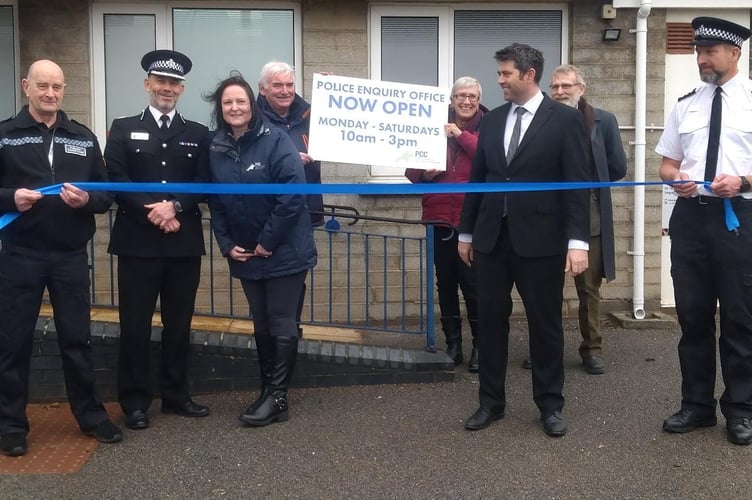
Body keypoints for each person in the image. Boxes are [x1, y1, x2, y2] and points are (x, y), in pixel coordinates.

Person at [458, 43, 591, 437]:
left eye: (505, 74)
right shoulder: (493, 120)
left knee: (545, 326)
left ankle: (550, 405)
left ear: (528, 75)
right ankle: (490, 403)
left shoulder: (565, 121)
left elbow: (577, 186)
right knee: (490, 325)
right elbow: (478, 181)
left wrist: (578, 242)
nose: (499, 80)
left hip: (542, 243)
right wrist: (467, 232)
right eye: (499, 73)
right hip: (491, 241)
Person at [0, 60, 122, 456]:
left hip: (70, 256)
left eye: (56, 86)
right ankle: (11, 426)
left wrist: (87, 200)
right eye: (42, 86)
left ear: (64, 89)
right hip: (21, 255)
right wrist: (9, 199)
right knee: (12, 342)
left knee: (76, 340)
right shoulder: (5, 136)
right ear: (26, 87)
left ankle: (90, 416)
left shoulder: (83, 138)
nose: (50, 93)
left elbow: (106, 195)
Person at [656, 17, 752, 446]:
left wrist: (745, 181)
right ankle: (696, 406)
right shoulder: (686, 103)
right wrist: (674, 178)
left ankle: (741, 409)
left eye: (710, 51)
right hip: (691, 219)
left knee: (739, 317)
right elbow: (667, 163)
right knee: (692, 316)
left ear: (735, 53)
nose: (702, 58)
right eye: (698, 50)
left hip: (739, 219)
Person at [104, 49, 210, 431]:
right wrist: (154, 212)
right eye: (160, 81)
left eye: (174, 83)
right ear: (148, 84)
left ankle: (176, 395)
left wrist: (175, 207)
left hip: (182, 244)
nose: (167, 88)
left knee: (178, 324)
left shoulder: (198, 133)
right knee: (135, 325)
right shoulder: (122, 126)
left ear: (181, 89)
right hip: (137, 243)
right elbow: (116, 178)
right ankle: (134, 402)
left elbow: (203, 182)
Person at [205, 73, 316, 427]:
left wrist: (266, 242)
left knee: (282, 320)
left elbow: (292, 195)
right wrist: (226, 245)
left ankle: (277, 396)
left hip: (284, 249)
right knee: (261, 322)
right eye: (227, 103)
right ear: (220, 109)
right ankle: (269, 391)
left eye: (240, 101)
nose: (234, 108)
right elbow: (216, 203)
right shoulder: (216, 148)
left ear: (253, 105)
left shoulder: (277, 140)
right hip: (245, 254)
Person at [522, 65, 628, 375]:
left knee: (588, 289)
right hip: (547, 218)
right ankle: (544, 350)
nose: (559, 92)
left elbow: (617, 167)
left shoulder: (603, 120)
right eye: (554, 87)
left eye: (566, 86)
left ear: (581, 88)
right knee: (543, 289)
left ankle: (591, 349)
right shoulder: (539, 120)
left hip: (589, 217)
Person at [405, 76, 487, 372]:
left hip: (474, 221)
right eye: (461, 96)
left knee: (474, 285)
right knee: (446, 284)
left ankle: (481, 345)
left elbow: (488, 159)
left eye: (472, 97)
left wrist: (459, 135)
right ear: (451, 100)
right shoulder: (430, 125)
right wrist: (425, 174)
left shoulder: (489, 125)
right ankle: (454, 344)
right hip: (439, 218)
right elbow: (410, 170)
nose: (466, 101)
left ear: (479, 100)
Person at [257, 61, 322, 338]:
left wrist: (332, 94)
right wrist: (286, 160)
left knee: (297, 276)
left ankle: (289, 333)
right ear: (262, 89)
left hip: (304, 212)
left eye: (290, 85)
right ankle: (275, 334)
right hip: (266, 214)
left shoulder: (313, 114)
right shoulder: (253, 120)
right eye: (277, 85)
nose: (285, 91)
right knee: (267, 280)